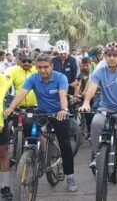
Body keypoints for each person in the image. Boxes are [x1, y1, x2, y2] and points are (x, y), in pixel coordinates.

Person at [4, 53, 78, 192]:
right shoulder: (34, 78)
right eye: (39, 67)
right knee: (27, 124)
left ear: (51, 66)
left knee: (65, 144)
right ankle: (32, 153)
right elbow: (22, 93)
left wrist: (63, 109)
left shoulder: (60, 77)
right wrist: (11, 108)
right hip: (42, 111)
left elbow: (63, 95)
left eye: (45, 67)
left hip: (58, 113)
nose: (42, 71)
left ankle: (70, 176)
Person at [79, 42, 117, 192]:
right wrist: (86, 102)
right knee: (95, 123)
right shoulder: (100, 72)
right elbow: (92, 87)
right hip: (104, 109)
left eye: (115, 55)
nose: (112, 58)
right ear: (105, 57)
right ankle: (96, 156)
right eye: (109, 55)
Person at [0, 74, 13, 201]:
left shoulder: (2, 78)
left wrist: (0, 122)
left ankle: (5, 186)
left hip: (0, 119)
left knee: (3, 153)